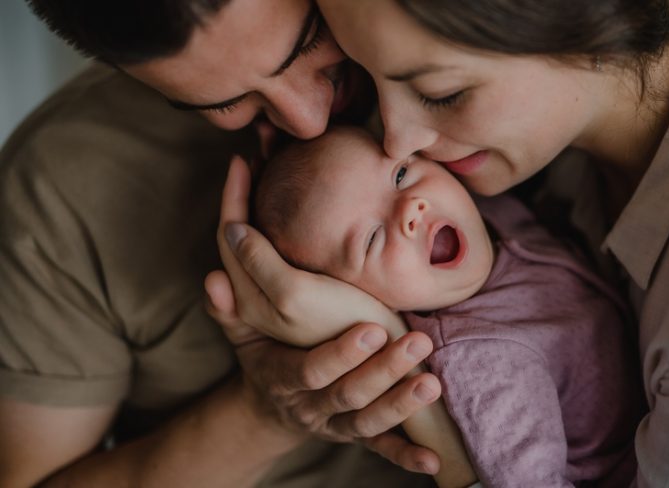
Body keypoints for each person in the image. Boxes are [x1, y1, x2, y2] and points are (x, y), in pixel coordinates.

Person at [212, 0, 669, 486]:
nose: (397, 142)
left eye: (442, 93)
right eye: (364, 75)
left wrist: (402, 368)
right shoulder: (540, 167)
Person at [0, 1, 444, 486]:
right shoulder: (57, 190)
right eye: (224, 104)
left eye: (312, 40)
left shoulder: (485, 39)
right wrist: (266, 413)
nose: (307, 120)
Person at [249, 125, 644, 487]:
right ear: (359, 299)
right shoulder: (482, 361)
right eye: (371, 240)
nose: (410, 209)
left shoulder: (487, 211)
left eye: (401, 174)